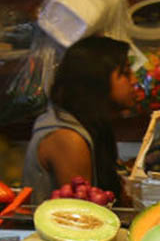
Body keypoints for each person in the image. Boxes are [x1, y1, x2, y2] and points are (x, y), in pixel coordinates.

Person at [23, 35, 135, 203]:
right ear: (97, 80)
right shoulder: (69, 138)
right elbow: (82, 216)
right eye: (125, 73)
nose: (134, 80)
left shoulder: (92, 124)